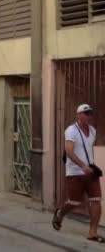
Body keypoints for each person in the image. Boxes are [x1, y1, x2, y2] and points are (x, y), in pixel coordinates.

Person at [53, 104, 103, 242]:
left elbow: (88, 148)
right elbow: (69, 151)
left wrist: (90, 166)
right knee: (74, 202)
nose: (88, 116)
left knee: (96, 200)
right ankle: (60, 213)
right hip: (75, 171)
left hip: (91, 171)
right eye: (86, 113)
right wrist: (82, 165)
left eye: (90, 114)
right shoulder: (71, 130)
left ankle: (92, 233)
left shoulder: (92, 130)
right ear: (79, 115)